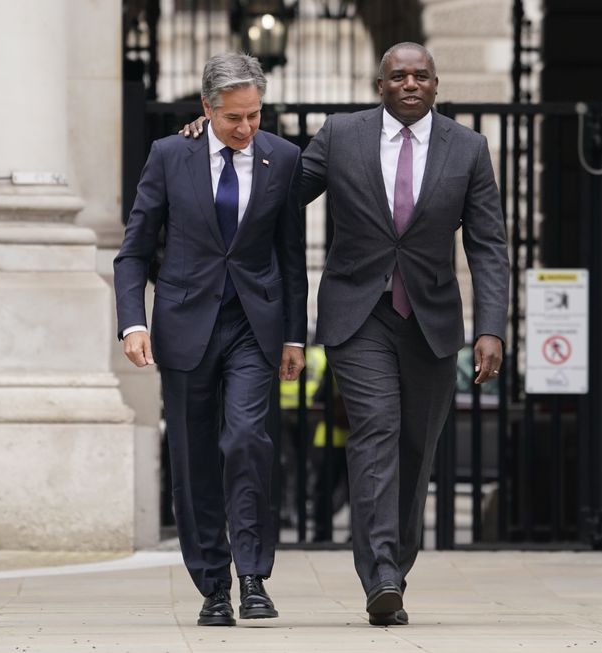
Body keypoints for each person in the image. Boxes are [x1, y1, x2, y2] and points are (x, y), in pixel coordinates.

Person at [182, 42, 508, 627]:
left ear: (436, 85)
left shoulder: (469, 148)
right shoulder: (342, 135)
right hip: (358, 315)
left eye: (421, 76)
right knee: (376, 432)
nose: (410, 83)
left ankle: (395, 563)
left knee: (416, 446)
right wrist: (213, 139)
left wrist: (491, 328)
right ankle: (380, 574)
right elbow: (276, 191)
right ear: (379, 84)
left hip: (432, 321)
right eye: (398, 75)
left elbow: (488, 244)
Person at [114, 52, 307, 627]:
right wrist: (133, 321)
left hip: (255, 325)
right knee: (193, 456)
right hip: (185, 324)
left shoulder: (285, 159)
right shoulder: (170, 155)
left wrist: (295, 336)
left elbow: (292, 257)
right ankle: (212, 586)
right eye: (233, 119)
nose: (246, 129)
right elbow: (134, 248)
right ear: (206, 109)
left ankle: (252, 576)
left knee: (247, 439)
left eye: (254, 116)